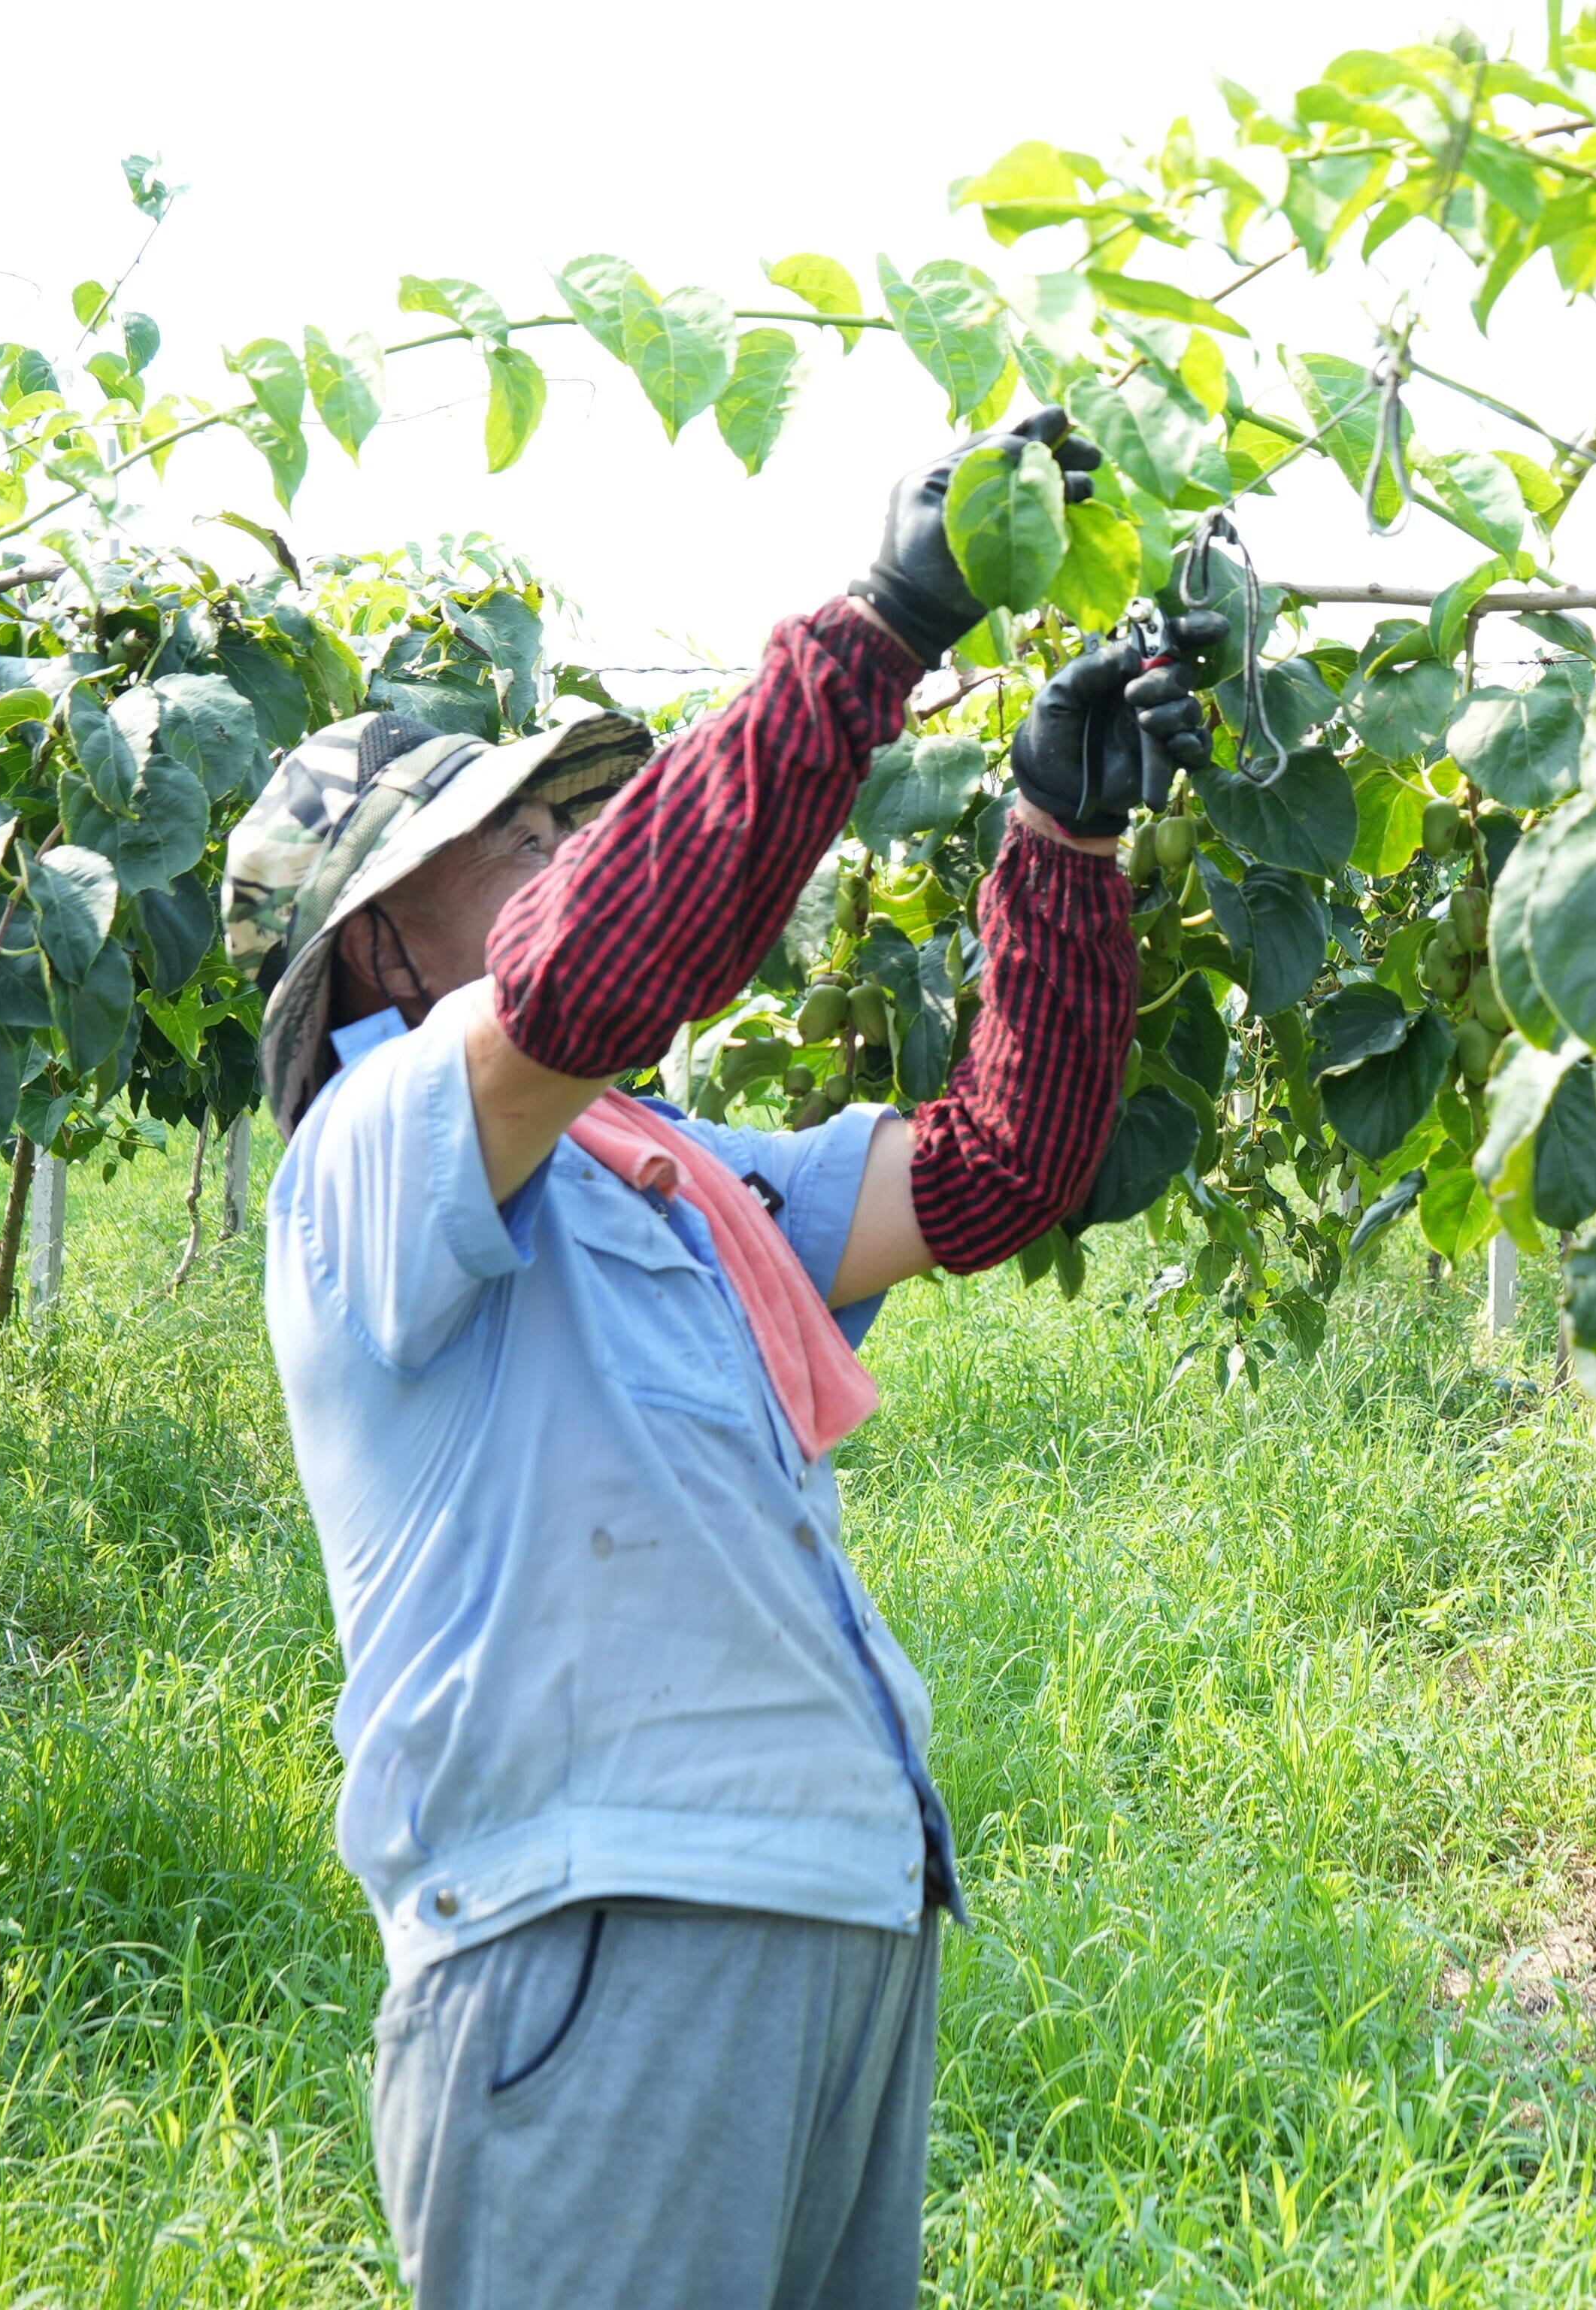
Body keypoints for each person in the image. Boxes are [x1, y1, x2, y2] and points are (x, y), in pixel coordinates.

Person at [220, 408, 1222, 2307]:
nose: (557, 843)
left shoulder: (671, 1179)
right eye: (503, 834)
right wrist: (880, 627)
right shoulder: (368, 1161)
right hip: (598, 1939)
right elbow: (597, 973)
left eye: (555, 818)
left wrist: (1061, 842)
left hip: (831, 1913)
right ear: (377, 956)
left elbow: (999, 1170)